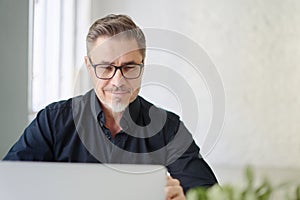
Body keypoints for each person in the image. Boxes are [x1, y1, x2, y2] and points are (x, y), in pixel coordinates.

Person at [3, 14, 217, 199]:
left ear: (142, 66)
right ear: (89, 66)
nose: (117, 81)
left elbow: (211, 195)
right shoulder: (53, 121)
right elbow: (8, 184)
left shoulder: (168, 129)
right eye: (106, 67)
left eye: (129, 67)